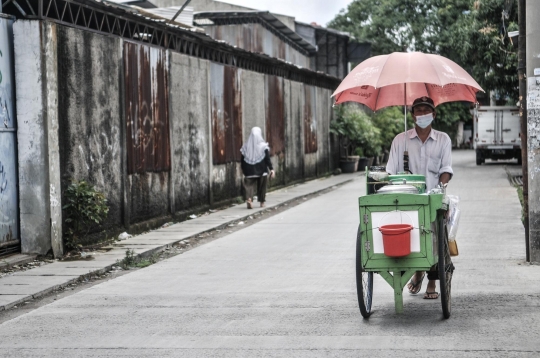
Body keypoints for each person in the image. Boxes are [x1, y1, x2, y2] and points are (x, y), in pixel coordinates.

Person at [386, 96, 453, 300]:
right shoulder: (400, 140)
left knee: (434, 236)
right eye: (418, 110)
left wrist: (440, 188)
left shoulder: (443, 139)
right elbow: (390, 171)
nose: (422, 114)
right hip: (406, 199)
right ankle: (416, 271)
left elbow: (446, 170)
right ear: (412, 115)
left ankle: (432, 281)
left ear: (434, 114)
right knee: (409, 235)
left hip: (432, 198)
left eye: (426, 110)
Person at [240, 127, 275, 209]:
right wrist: (271, 169)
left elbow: (242, 160)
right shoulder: (263, 147)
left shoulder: (245, 147)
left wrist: (244, 170)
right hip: (262, 170)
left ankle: (249, 199)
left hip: (249, 171)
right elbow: (267, 159)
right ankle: (262, 202)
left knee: (248, 185)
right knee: (262, 185)